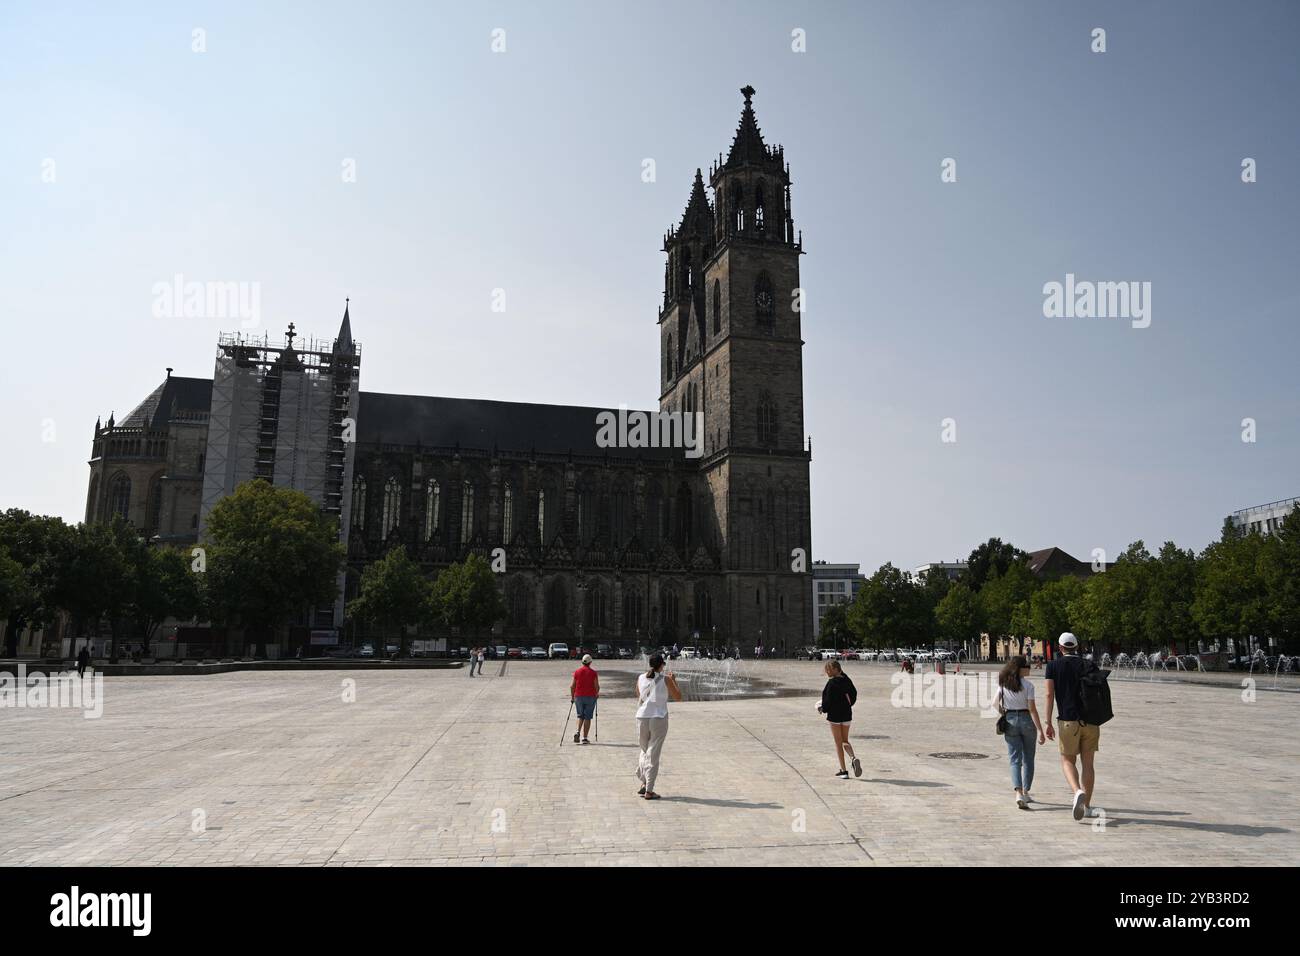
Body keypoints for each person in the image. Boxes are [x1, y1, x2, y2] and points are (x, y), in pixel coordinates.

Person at [1044, 632, 1100, 821]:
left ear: (1060, 648)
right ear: (1076, 647)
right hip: (1091, 720)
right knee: (1088, 764)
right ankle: (1087, 806)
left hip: (1068, 720)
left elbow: (1049, 695)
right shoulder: (1089, 664)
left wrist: (1048, 722)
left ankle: (1077, 791)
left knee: (1067, 760)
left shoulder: (1053, 666)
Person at [997, 655, 1045, 809]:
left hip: (1010, 719)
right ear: (1021, 668)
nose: (1029, 668)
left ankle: (1018, 792)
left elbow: (993, 703)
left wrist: (1004, 713)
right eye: (1027, 666)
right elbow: (1032, 709)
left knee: (1014, 759)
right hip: (1026, 720)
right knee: (1028, 758)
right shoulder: (1029, 686)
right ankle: (1025, 791)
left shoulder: (1004, 684)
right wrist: (1040, 730)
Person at [635, 653, 681, 799]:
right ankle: (649, 789)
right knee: (653, 753)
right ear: (661, 665)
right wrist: (674, 681)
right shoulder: (666, 679)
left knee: (644, 750)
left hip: (642, 716)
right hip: (658, 718)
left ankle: (643, 782)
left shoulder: (641, 677)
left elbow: (639, 694)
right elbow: (678, 697)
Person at [817, 660, 861, 778]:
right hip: (847, 714)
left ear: (836, 669)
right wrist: (848, 705)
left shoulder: (831, 683)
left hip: (835, 716)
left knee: (838, 743)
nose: (827, 672)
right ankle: (853, 758)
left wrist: (822, 709)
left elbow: (827, 701)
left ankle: (844, 771)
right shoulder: (847, 680)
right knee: (845, 740)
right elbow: (854, 694)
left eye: (829, 670)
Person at [570, 654, 600, 744]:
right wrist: (597, 694)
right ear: (590, 662)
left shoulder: (577, 672)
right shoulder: (593, 673)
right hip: (590, 697)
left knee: (580, 716)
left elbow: (572, 686)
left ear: (582, 662)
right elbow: (597, 686)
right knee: (587, 717)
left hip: (578, 697)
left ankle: (577, 732)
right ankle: (584, 738)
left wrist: (572, 698)